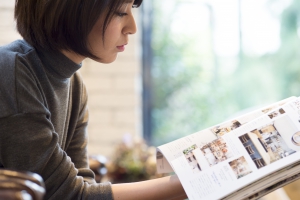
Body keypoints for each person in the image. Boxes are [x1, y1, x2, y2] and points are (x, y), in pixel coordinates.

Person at [0, 0, 187, 199]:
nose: (132, 28)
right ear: (73, 10)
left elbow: (82, 187)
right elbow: (67, 195)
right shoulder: (12, 73)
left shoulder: (75, 85)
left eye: (131, 10)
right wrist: (187, 182)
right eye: (120, 12)